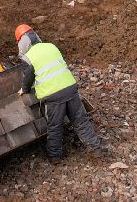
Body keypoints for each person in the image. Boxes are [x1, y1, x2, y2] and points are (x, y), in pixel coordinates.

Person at [17, 24, 104, 160]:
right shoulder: (51, 46)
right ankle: (95, 149)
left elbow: (28, 77)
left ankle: (55, 157)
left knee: (55, 127)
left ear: (21, 42)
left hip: (53, 96)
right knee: (81, 121)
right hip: (70, 88)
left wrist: (25, 89)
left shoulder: (28, 57)